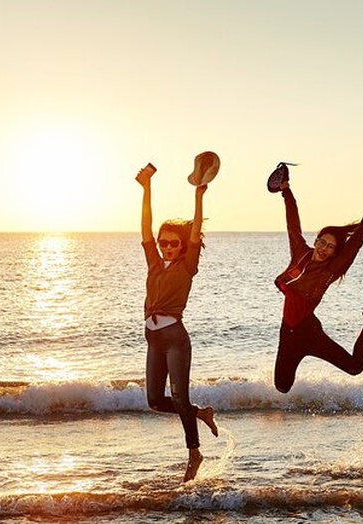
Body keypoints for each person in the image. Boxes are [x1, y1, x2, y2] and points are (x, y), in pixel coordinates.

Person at [135, 164, 218, 482]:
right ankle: (201, 413)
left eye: (173, 242)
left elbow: (195, 231)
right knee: (155, 401)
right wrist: (146, 189)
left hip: (174, 337)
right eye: (163, 242)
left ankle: (194, 453)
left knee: (179, 397)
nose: (167, 246)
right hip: (153, 338)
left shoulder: (187, 267)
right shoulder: (155, 264)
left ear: (182, 245)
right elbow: (145, 228)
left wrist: (198, 195)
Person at [271, 179, 363, 393]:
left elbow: (355, 246)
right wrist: (286, 191)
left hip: (309, 331)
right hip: (287, 333)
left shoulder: (331, 269)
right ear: (316, 241)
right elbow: (292, 223)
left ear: (335, 253)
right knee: (282, 386)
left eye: (331, 248)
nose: (324, 249)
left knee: (355, 367)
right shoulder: (300, 252)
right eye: (322, 243)